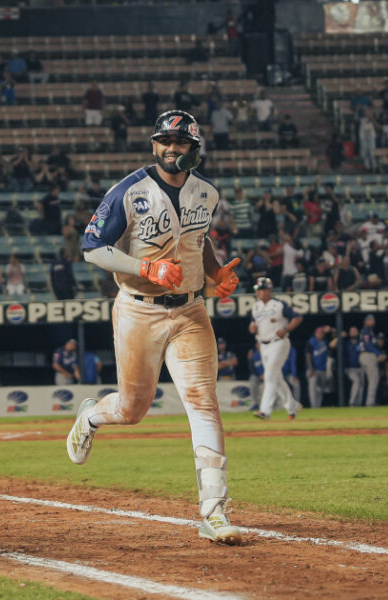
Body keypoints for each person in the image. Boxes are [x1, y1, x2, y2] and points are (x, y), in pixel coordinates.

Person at [67, 109, 243, 545]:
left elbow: (196, 243)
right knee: (132, 410)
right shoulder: (129, 190)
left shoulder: (207, 193)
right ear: (154, 145)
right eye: (164, 141)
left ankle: (214, 510)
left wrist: (216, 273)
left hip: (190, 311)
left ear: (194, 149)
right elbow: (92, 248)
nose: (170, 148)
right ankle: (91, 416)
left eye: (180, 143)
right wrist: (143, 265)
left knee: (203, 401)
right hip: (139, 310)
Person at [247, 277, 302, 420]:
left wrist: (286, 329)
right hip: (263, 345)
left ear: (269, 290)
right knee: (276, 378)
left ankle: (265, 411)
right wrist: (252, 328)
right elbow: (253, 324)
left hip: (278, 342)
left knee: (270, 376)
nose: (259, 292)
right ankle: (292, 406)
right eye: (258, 290)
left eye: (261, 289)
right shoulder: (256, 306)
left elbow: (297, 317)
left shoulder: (279, 304)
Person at [357, 315, 383, 407]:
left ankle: (359, 402)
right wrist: (378, 353)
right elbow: (368, 344)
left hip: (364, 356)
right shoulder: (366, 330)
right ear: (366, 321)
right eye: (371, 320)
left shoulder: (368, 331)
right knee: (374, 379)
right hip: (368, 355)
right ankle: (370, 402)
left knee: (363, 382)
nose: (373, 321)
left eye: (373, 320)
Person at [305, 326, 334, 409]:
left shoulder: (326, 342)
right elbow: (308, 356)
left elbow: (336, 333)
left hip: (323, 370)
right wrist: (311, 369)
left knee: (320, 390)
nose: (320, 334)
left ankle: (318, 407)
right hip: (312, 370)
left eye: (322, 333)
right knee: (313, 386)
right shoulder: (311, 342)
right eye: (319, 333)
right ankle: (313, 406)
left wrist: (330, 329)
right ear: (315, 333)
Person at [343, 326, 364, 407]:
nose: (353, 333)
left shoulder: (361, 343)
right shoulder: (346, 343)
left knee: (361, 386)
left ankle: (359, 404)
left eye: (355, 331)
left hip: (360, 368)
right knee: (356, 381)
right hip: (350, 368)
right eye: (351, 331)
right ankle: (351, 402)